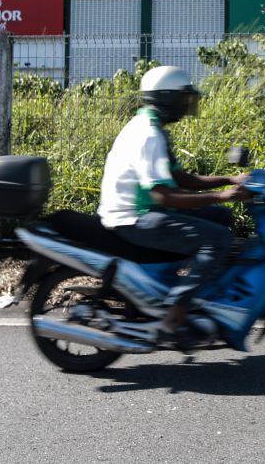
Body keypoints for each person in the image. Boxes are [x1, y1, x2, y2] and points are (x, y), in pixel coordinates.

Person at [97, 65, 249, 344]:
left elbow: (182, 179)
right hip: (134, 217)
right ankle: (175, 315)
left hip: (144, 210)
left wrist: (229, 179)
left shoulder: (154, 128)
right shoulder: (149, 135)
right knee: (216, 240)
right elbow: (164, 197)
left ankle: (199, 289)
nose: (187, 104)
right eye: (183, 98)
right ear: (167, 98)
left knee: (222, 218)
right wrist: (222, 194)